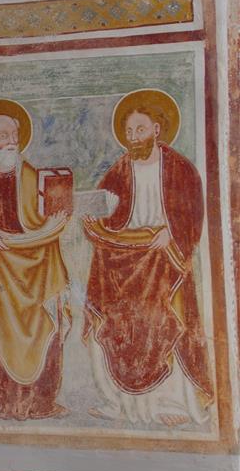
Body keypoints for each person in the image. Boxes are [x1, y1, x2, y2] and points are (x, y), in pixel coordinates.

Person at [83, 89, 214, 427]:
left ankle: (172, 402)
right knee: (116, 324)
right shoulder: (120, 170)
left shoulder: (180, 168)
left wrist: (172, 232)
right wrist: (94, 215)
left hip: (163, 259)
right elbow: (104, 211)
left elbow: (193, 214)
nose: (133, 136)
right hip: (124, 260)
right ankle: (118, 402)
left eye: (139, 129)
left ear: (156, 129)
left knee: (163, 323)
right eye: (129, 131)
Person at [0, 99, 71, 420]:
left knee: (44, 324)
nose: (12, 141)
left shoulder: (29, 174)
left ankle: (38, 401)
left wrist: (52, 223)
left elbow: (45, 219)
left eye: (15, 135)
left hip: (32, 265)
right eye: (4, 135)